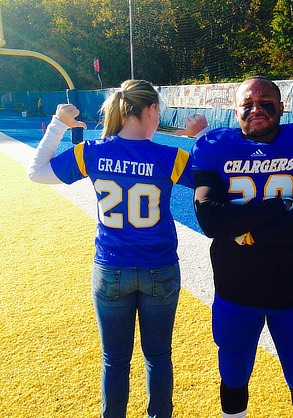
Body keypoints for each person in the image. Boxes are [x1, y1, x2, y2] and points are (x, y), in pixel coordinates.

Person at [28, 79, 194, 418]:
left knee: (115, 360)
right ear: (149, 111)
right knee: (158, 357)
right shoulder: (169, 156)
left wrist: (58, 124)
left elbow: (37, 173)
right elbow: (216, 179)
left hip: (111, 267)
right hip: (159, 266)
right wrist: (200, 140)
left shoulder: (92, 151)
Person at [183, 76, 293, 418]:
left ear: (281, 107)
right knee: (234, 376)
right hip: (236, 289)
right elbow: (212, 221)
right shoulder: (215, 148)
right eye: (247, 103)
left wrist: (250, 233)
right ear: (236, 111)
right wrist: (281, 205)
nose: (257, 108)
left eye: (266, 101)